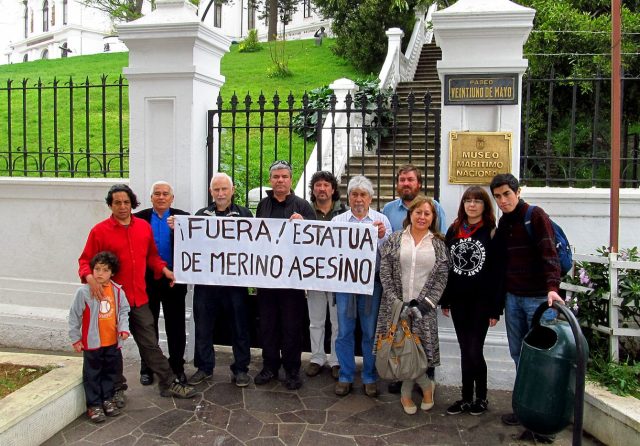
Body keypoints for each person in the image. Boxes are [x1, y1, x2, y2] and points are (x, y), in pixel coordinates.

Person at [78, 184, 197, 402]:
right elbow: (85, 261)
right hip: (110, 301)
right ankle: (117, 389)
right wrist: (90, 278)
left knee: (150, 344)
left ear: (132, 203)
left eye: (126, 202)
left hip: (138, 298)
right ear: (110, 205)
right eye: (117, 202)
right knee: (111, 347)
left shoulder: (143, 227)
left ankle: (168, 383)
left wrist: (166, 271)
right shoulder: (99, 231)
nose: (122, 207)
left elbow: (152, 256)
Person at [490, 173, 563, 431]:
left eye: (506, 194)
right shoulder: (504, 222)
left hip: (538, 300)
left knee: (542, 358)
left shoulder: (535, 215)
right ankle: (525, 408)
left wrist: (552, 288)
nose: (502, 200)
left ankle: (544, 414)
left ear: (517, 192)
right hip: (513, 299)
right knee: (518, 354)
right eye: (497, 196)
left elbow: (549, 252)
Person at [376, 195, 449, 414]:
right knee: (402, 349)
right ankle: (425, 387)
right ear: (410, 214)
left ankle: (410, 392)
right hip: (396, 307)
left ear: (433, 217)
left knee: (419, 353)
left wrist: (424, 305)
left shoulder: (438, 243)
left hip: (423, 310)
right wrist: (397, 302)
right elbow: (385, 272)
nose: (422, 217)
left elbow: (441, 278)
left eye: (427, 213)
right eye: (418, 212)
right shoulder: (396, 239)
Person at [187, 173, 253, 388]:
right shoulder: (200, 216)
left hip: (235, 284)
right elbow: (190, 244)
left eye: (224, 189)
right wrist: (176, 228)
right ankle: (204, 367)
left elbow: (255, 246)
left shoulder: (245, 214)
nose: (221, 193)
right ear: (211, 192)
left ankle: (241, 369)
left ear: (232, 190)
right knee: (203, 326)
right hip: (206, 284)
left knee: (240, 326)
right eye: (216, 189)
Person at [254, 160, 316, 390]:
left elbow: (315, 241)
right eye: (275, 177)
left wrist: (304, 225)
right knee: (268, 325)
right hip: (267, 278)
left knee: (292, 326)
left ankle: (292, 369)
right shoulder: (262, 205)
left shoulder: (303, 206)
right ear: (270, 180)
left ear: (290, 180)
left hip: (292, 280)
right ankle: (269, 366)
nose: (280, 180)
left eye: (284, 177)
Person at [440, 186, 501, 416]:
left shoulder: (492, 232)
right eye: (468, 200)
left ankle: (481, 397)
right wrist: (445, 300)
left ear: (485, 205)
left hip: (481, 302)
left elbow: (497, 273)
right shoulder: (454, 230)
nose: (472, 205)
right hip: (458, 300)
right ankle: (466, 397)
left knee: (475, 349)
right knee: (465, 349)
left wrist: (495, 308)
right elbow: (445, 266)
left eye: (477, 201)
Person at [332, 175, 391, 397]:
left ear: (370, 198)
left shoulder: (381, 221)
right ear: (348, 198)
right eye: (354, 194)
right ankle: (346, 376)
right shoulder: (338, 222)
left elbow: (390, 255)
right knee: (344, 332)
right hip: (345, 284)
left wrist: (382, 237)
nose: (358, 199)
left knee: (369, 332)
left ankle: (369, 376)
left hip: (371, 285)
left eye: (363, 195)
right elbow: (328, 252)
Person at [134, 181, 189, 385]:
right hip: (146, 280)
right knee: (148, 326)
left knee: (175, 326)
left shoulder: (183, 217)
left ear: (172, 198)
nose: (161, 197)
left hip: (174, 280)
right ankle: (147, 367)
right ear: (151, 198)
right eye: (157, 193)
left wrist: (179, 228)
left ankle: (177, 367)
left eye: (165, 193)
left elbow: (194, 243)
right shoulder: (139, 218)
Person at [69, 251, 130, 423]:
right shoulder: (84, 292)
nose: (100, 273)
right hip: (93, 343)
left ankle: (107, 399)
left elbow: (124, 311)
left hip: (112, 342)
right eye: (97, 269)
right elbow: (74, 316)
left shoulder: (118, 291)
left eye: (105, 270)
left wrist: (123, 329)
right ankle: (94, 405)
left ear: (112, 273)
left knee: (110, 373)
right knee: (92, 375)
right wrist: (76, 339)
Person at [305, 171, 346, 379]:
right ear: (313, 189)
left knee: (337, 321)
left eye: (326, 185)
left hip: (338, 274)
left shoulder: (344, 213)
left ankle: (336, 360)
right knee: (316, 319)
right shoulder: (305, 212)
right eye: (318, 185)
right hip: (313, 274)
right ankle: (317, 357)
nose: (322, 189)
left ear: (333, 189)